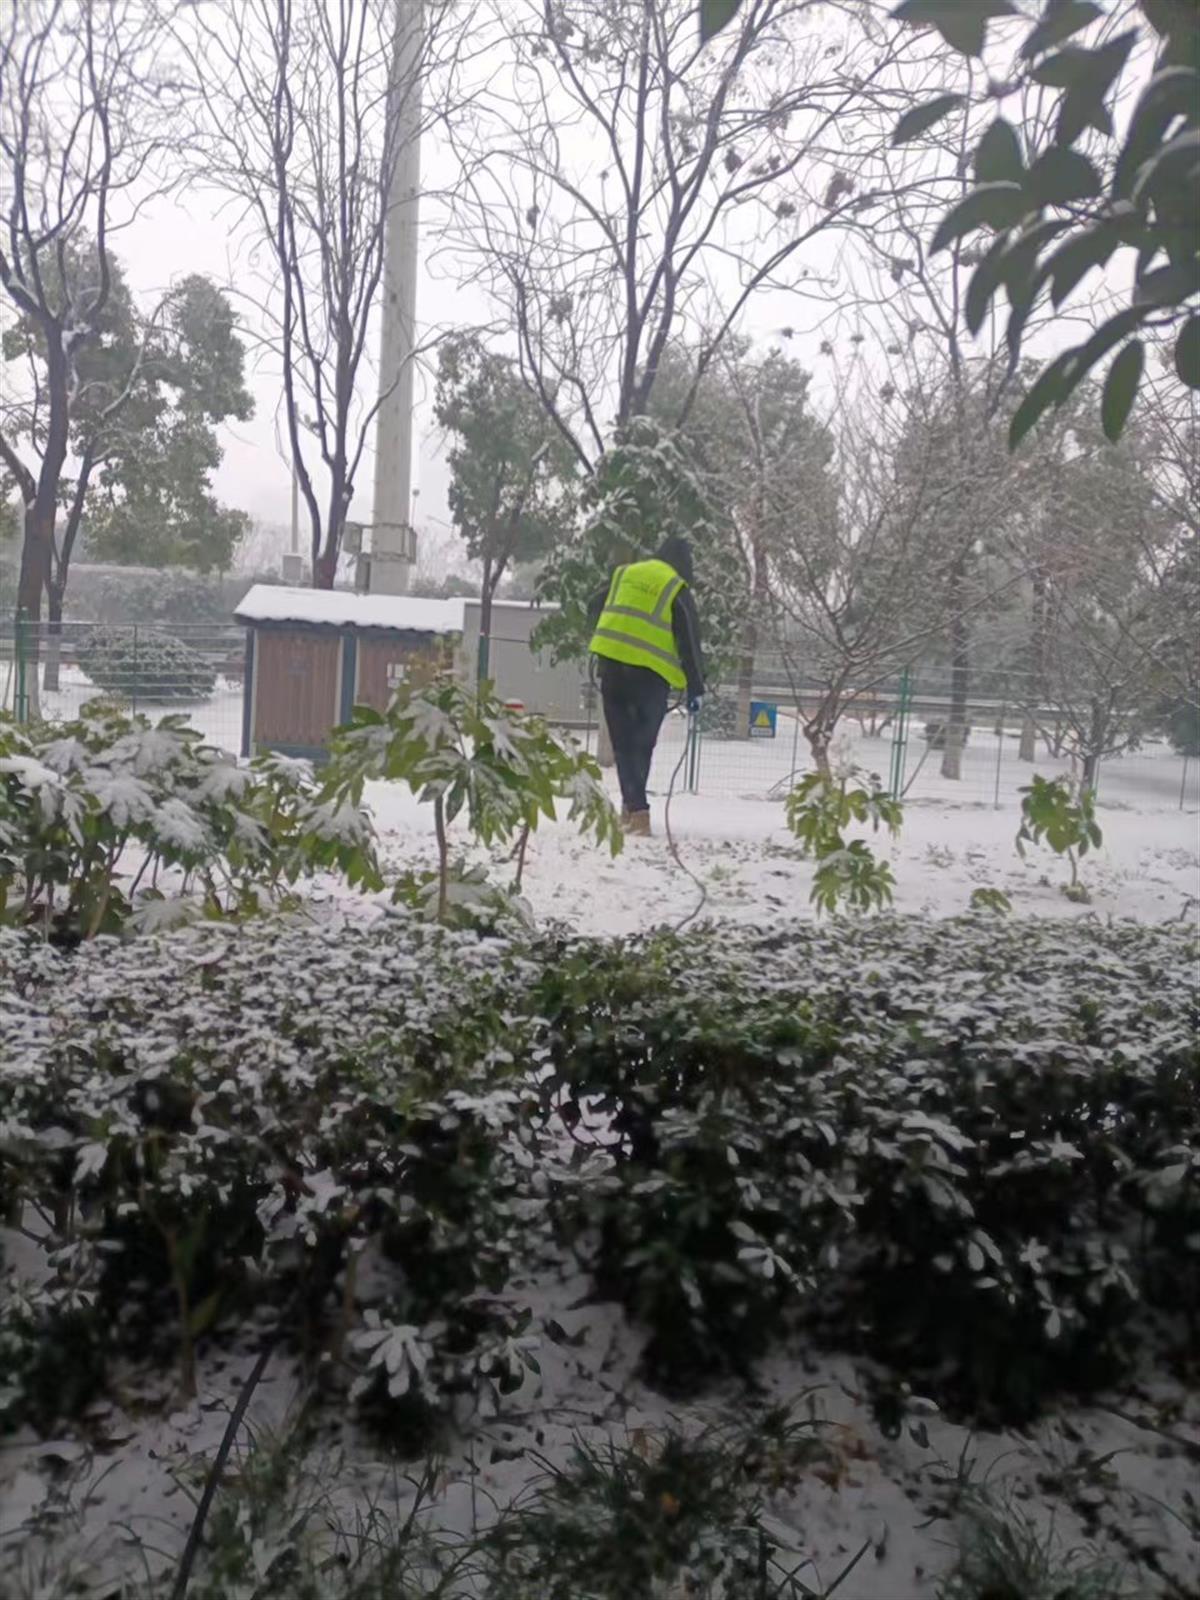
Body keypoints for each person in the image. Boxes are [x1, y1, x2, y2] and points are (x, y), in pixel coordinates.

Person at [587, 535, 705, 836]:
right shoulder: (674, 586)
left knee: (623, 746)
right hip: (649, 679)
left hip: (612, 669)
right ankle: (638, 813)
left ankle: (631, 810)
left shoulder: (625, 574)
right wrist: (696, 688)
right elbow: (689, 639)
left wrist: (605, 635)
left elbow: (593, 605)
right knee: (641, 745)